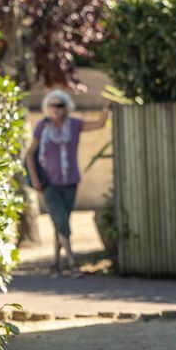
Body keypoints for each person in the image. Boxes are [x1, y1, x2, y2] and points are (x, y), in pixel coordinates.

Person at [25, 89, 110, 277]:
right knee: (62, 220)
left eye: (60, 105)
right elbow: (30, 154)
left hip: (71, 181)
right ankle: (72, 264)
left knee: (60, 223)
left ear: (66, 108)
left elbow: (99, 124)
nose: (56, 109)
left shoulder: (74, 125)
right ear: (48, 107)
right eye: (53, 105)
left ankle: (55, 265)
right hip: (49, 183)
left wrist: (106, 109)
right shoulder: (42, 126)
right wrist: (35, 179)